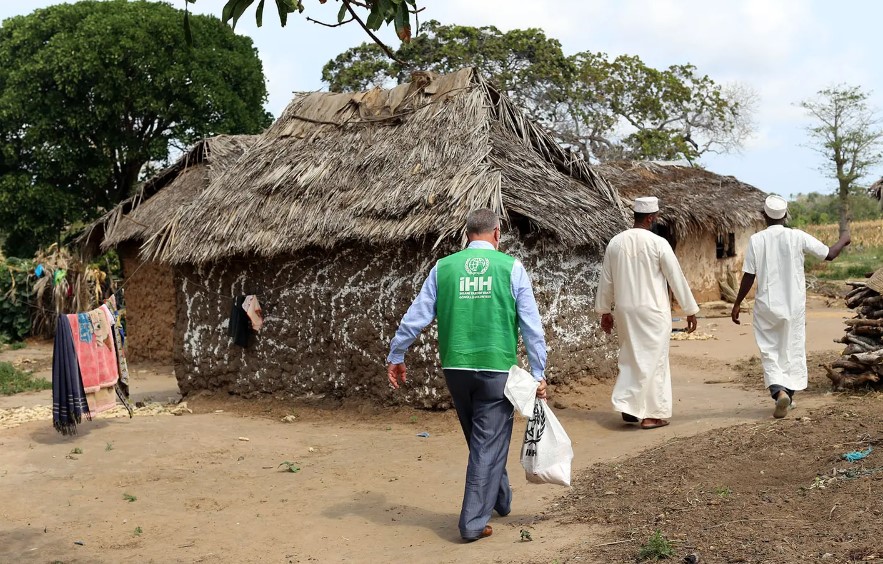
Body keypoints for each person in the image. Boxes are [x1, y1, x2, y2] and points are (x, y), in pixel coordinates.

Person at [386, 208, 548, 542]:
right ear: (497, 234)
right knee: (487, 442)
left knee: (483, 440)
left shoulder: (444, 268)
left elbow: (417, 315)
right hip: (496, 368)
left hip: (456, 368)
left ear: (466, 235)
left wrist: (397, 353)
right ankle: (472, 523)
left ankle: (499, 500)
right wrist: (539, 371)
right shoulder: (511, 267)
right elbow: (531, 326)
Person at [731, 195, 850, 418]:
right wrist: (844, 238)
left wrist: (737, 303)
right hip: (793, 306)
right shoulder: (797, 237)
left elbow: (749, 275)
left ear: (763, 215)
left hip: (767, 306)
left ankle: (779, 393)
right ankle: (788, 395)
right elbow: (830, 254)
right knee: (792, 349)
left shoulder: (757, 240)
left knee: (770, 350)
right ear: (785, 215)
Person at [595, 196, 699, 430]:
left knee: (630, 357)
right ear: (651, 218)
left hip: (625, 311)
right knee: (656, 361)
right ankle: (652, 414)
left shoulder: (616, 242)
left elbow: (606, 281)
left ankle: (629, 407)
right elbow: (676, 278)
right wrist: (690, 310)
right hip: (653, 312)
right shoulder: (658, 243)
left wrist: (605, 311)